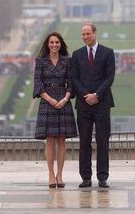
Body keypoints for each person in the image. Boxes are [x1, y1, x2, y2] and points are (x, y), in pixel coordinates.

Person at [70, 22, 116, 189]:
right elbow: (74, 78)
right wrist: (86, 96)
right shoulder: (76, 54)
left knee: (102, 141)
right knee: (84, 141)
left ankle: (102, 177)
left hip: (102, 103)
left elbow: (109, 78)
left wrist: (96, 95)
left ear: (95, 33)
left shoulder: (108, 53)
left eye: (87, 34)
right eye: (83, 34)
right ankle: (86, 177)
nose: (85, 37)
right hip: (83, 105)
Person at [33, 31, 77, 188]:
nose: (54, 45)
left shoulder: (67, 61)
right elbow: (37, 83)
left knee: (62, 140)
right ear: (47, 44)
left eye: (57, 42)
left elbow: (71, 83)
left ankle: (60, 175)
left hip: (63, 100)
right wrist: (50, 99)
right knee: (50, 140)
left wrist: (65, 99)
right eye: (51, 42)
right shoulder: (40, 61)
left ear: (61, 44)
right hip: (47, 100)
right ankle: (51, 175)